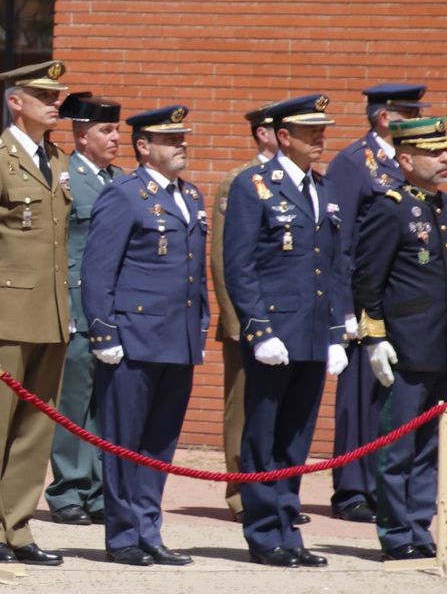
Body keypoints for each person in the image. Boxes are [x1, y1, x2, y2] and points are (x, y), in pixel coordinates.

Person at [222, 95, 349, 567]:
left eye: (322, 131)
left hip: (313, 333)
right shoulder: (253, 186)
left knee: (296, 439)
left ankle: (287, 528)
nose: (319, 139)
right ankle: (262, 531)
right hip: (276, 333)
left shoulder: (323, 187)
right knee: (263, 434)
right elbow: (240, 266)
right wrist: (259, 329)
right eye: (309, 132)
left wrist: (337, 332)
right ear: (282, 137)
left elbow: (335, 266)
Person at [81, 105, 208, 566]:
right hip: (133, 338)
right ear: (143, 147)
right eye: (171, 140)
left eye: (182, 139)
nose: (181, 146)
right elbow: (98, 271)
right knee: (124, 441)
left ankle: (149, 529)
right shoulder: (124, 195)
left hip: (177, 338)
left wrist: (202, 322)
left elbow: (194, 272)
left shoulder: (190, 196)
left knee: (159, 444)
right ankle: (123, 536)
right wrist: (103, 332)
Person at [0, 61, 73, 567]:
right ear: (16, 101)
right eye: (44, 95)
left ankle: (18, 526)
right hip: (4, 313)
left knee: (35, 430)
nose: (55, 104)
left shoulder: (58, 159)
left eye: (58, 97)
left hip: (49, 313)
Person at [354, 116, 447, 560]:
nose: (444, 159)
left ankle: (419, 527)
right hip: (405, 345)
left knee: (430, 447)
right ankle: (395, 532)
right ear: (406, 159)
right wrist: (374, 337)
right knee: (399, 445)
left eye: (446, 151)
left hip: (445, 347)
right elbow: (368, 280)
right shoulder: (390, 207)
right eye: (433, 153)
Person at [324, 83, 428, 522]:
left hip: (399, 297)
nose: (418, 119)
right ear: (385, 117)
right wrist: (344, 309)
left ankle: (383, 482)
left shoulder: (408, 161)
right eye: (409, 113)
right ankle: (352, 489)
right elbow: (341, 240)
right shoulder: (354, 163)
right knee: (359, 398)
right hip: (363, 299)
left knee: (391, 396)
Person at [47, 91, 123, 527]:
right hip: (76, 299)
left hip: (111, 305)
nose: (115, 138)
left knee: (103, 400)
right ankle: (68, 489)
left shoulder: (120, 180)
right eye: (106, 130)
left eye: (116, 130)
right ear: (80, 134)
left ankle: (97, 488)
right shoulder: (66, 177)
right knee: (74, 399)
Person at [209, 104, 278, 523]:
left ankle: (272, 490)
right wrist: (237, 322)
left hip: (287, 322)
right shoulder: (238, 181)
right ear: (264, 135)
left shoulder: (304, 183)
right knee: (242, 408)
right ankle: (241, 493)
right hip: (248, 321)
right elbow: (222, 257)